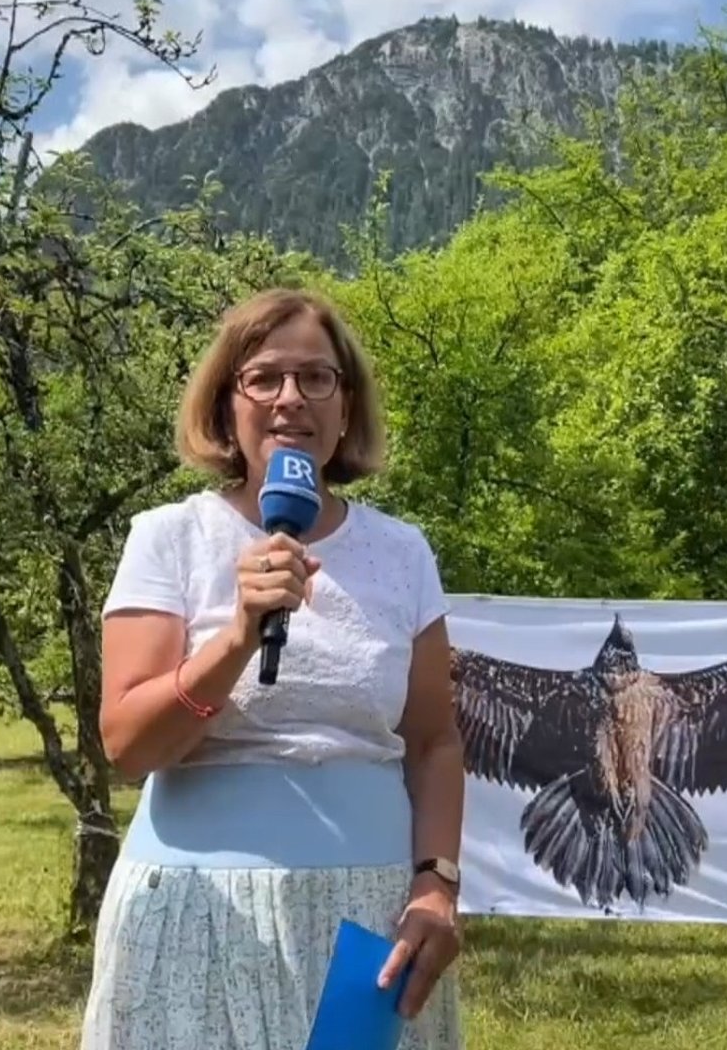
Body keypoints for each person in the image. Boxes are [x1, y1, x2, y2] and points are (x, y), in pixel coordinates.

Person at [78, 287, 467, 1049]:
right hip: (196, 916)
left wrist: (437, 887)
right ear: (227, 405)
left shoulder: (402, 552)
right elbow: (127, 747)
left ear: (346, 405)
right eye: (264, 378)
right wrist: (235, 639)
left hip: (370, 927)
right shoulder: (168, 539)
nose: (291, 398)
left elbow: (434, 743)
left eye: (316, 378)